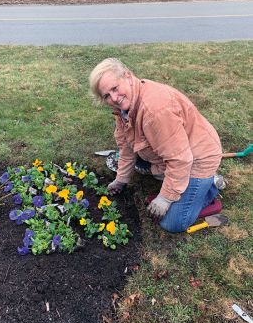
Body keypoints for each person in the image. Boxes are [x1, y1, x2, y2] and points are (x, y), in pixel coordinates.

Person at [89, 58, 225, 233]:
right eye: (107, 95)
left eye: (115, 88)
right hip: (172, 152)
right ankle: (185, 188)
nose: (114, 98)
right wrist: (121, 179)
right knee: (138, 160)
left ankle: (208, 189)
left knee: (172, 223)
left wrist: (165, 198)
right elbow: (127, 147)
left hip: (197, 159)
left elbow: (180, 160)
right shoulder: (125, 107)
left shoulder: (155, 111)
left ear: (128, 76)